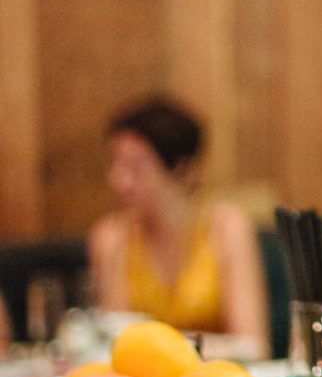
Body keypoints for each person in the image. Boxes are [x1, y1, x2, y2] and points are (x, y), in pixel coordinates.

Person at [89, 97, 269, 359]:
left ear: (181, 169)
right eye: (116, 163)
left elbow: (253, 346)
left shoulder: (226, 227)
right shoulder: (111, 236)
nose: (117, 180)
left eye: (135, 166)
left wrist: (165, 353)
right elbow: (115, 344)